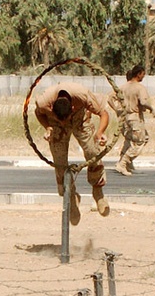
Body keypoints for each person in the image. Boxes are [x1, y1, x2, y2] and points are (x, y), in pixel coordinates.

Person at [34, 82, 112, 225]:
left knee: (93, 152)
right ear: (51, 107)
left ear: (72, 107)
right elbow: (38, 113)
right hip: (55, 123)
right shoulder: (43, 102)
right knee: (59, 162)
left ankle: (98, 191)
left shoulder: (82, 95)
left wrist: (100, 133)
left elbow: (103, 113)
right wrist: (48, 127)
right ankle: (71, 198)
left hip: (80, 119)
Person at [112, 64, 155, 176]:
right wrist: (151, 109)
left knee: (129, 139)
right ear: (139, 74)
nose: (143, 77)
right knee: (140, 140)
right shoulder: (139, 88)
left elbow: (110, 99)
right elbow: (143, 102)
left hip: (125, 117)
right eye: (143, 74)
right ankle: (123, 163)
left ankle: (127, 163)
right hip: (135, 117)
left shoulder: (123, 87)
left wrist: (118, 110)